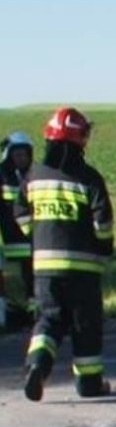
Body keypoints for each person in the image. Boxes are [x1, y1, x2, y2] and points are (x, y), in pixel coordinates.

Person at [16, 107, 114, 401]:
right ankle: (89, 383)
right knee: (85, 325)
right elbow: (104, 222)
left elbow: (20, 214)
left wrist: (37, 236)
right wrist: (104, 247)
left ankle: (37, 365)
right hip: (83, 269)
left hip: (45, 267)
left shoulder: (33, 176)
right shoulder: (88, 177)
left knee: (48, 320)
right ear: (79, 139)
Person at [0, 131, 35, 329]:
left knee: (32, 277)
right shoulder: (2, 175)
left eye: (24, 154)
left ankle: (34, 312)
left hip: (31, 235)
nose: (21, 158)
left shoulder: (34, 174)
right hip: (11, 237)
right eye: (17, 154)